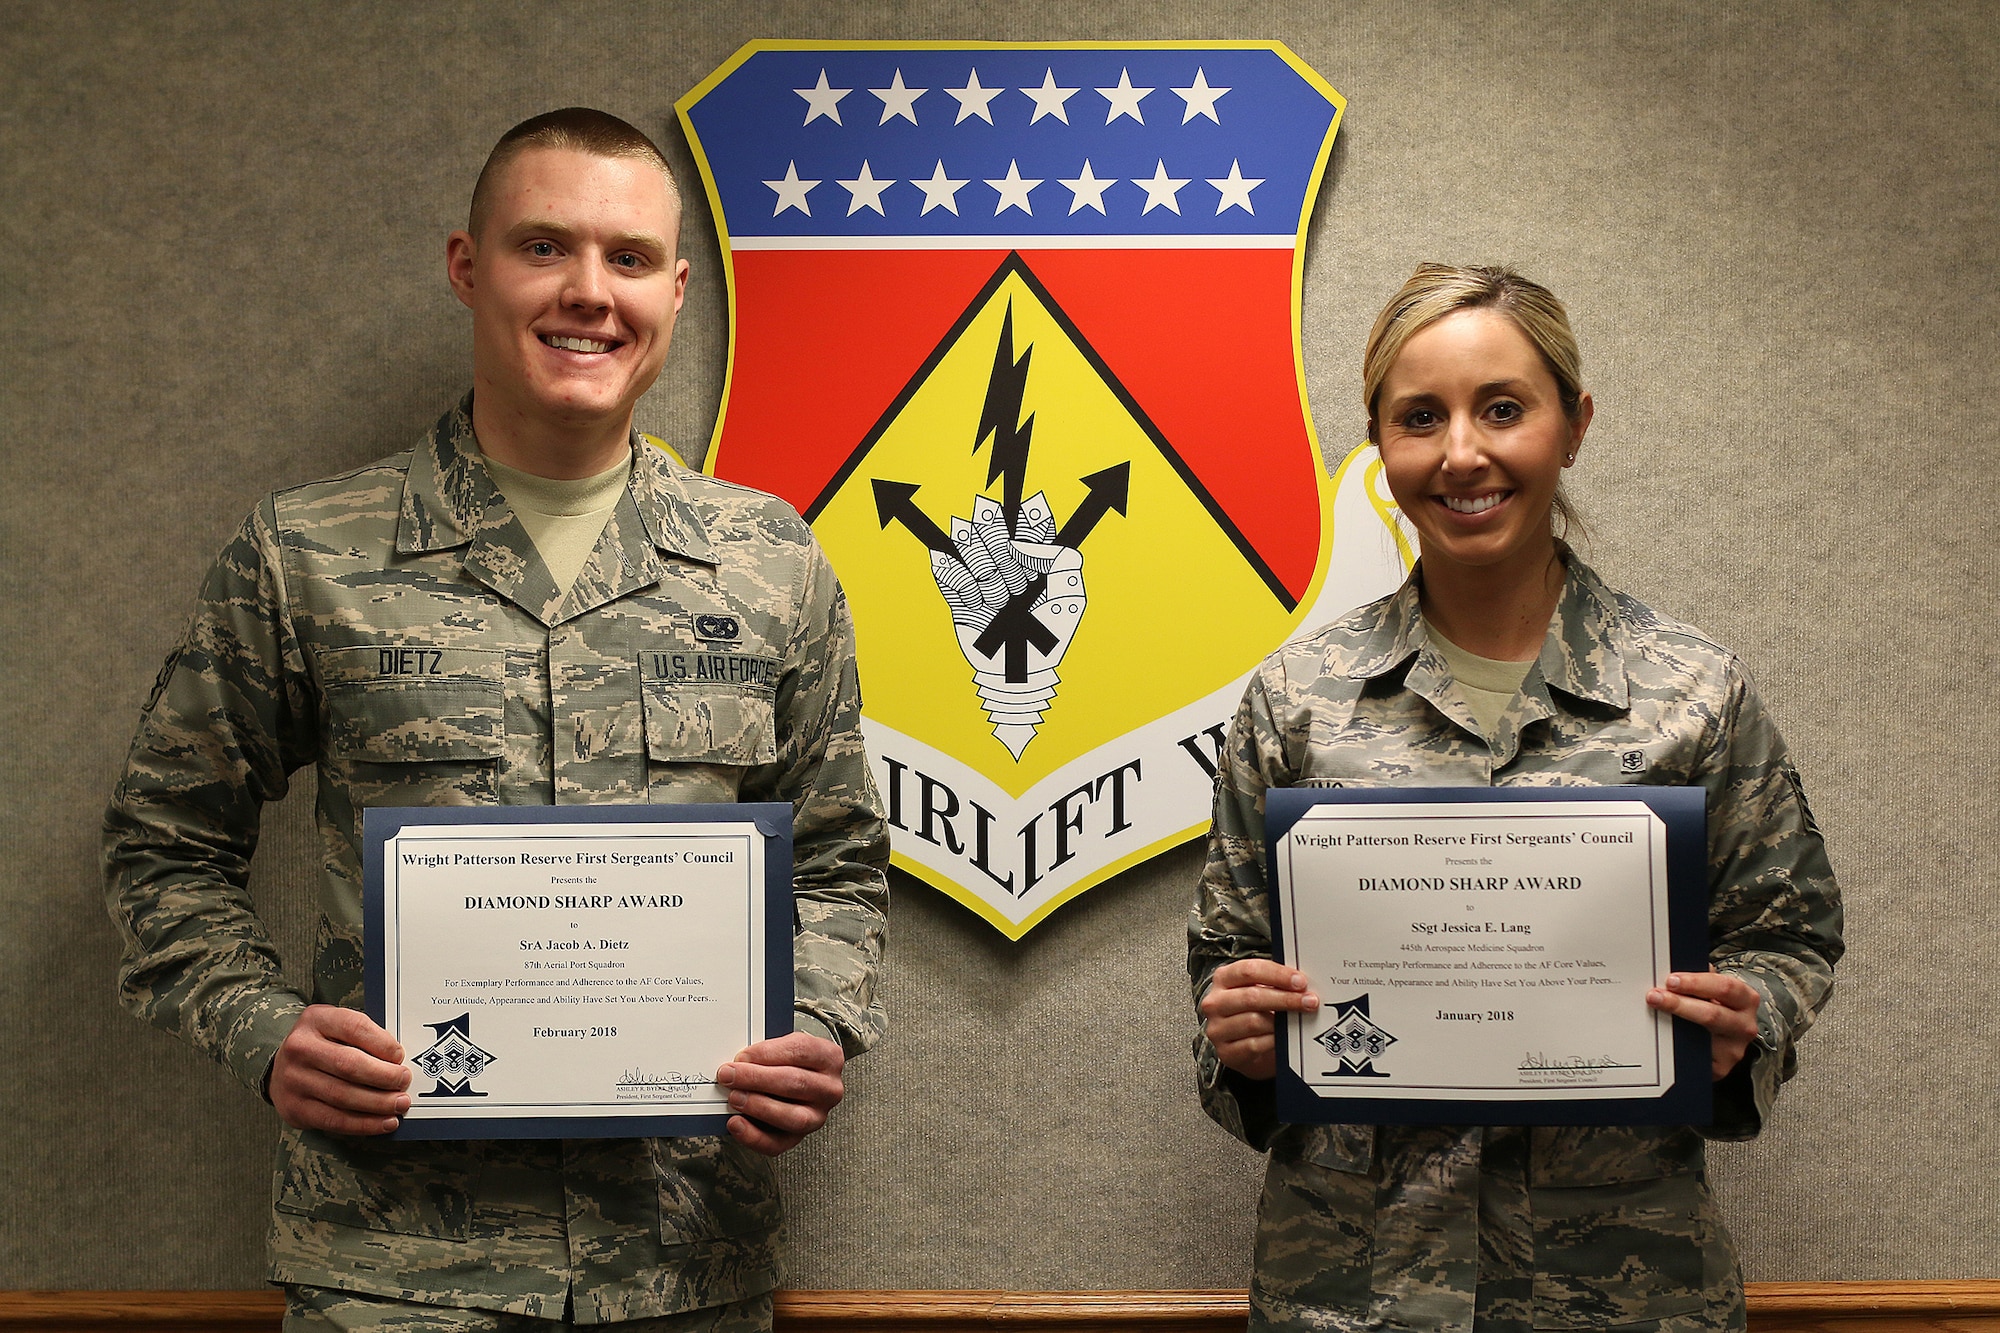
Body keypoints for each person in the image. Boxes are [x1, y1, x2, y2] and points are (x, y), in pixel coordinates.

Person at [103, 109, 888, 1332]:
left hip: (681, 1260)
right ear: (468, 265)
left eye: (628, 259)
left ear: (676, 292)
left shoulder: (768, 564)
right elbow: (163, 840)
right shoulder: (309, 551)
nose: (589, 293)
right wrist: (264, 1031)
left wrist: (815, 1023)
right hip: (394, 1267)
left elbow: (839, 861)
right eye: (544, 247)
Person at [1189, 264, 1841, 1333]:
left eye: (1502, 408)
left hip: (1624, 1283)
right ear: (1379, 447)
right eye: (1418, 418)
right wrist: (1238, 1029)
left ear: (1572, 424)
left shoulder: (1691, 693)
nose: (1460, 453)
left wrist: (1748, 1012)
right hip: (1353, 1289)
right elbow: (1223, 958)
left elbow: (1790, 932)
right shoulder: (1295, 701)